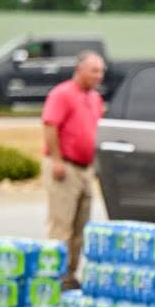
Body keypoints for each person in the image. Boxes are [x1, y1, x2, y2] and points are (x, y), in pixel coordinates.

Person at [42, 50, 105, 289]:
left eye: (101, 71)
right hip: (65, 166)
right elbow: (50, 126)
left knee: (81, 226)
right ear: (80, 71)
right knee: (62, 225)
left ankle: (70, 274)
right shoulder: (62, 94)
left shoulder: (95, 98)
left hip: (85, 168)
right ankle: (53, 276)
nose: (99, 76)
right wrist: (57, 161)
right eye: (94, 71)